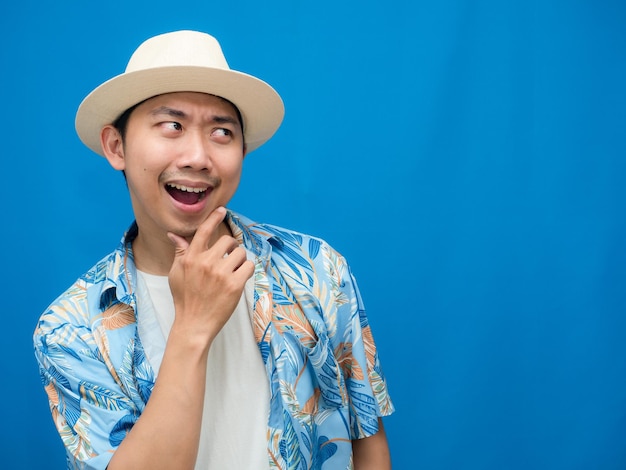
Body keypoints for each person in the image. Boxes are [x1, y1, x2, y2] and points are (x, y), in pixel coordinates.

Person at [33, 30, 394, 470]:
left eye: (222, 131)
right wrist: (193, 327)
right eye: (172, 126)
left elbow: (366, 441)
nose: (198, 157)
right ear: (116, 146)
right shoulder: (71, 329)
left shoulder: (317, 270)